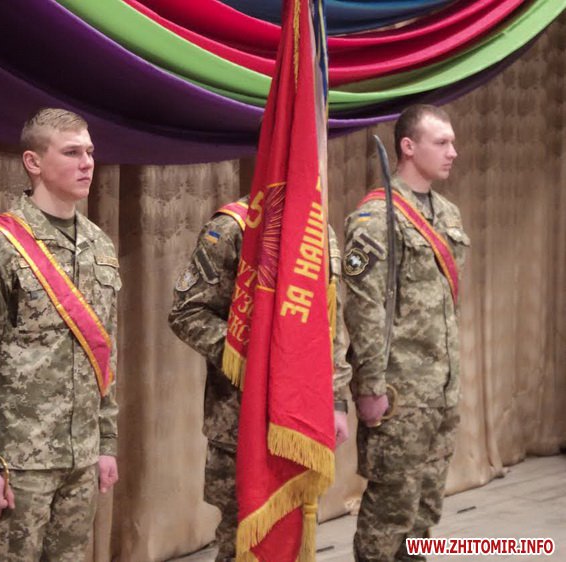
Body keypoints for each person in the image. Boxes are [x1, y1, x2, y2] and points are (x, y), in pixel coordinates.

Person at [0, 108, 120, 561]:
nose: (87, 163)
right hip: (17, 462)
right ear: (33, 162)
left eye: (90, 152)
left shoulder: (99, 245)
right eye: (72, 152)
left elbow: (104, 355)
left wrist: (106, 443)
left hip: (81, 457)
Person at [168, 195, 351, 561]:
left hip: (302, 417)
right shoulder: (232, 228)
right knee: (245, 541)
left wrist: (337, 400)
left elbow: (329, 324)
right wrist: (257, 355)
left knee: (294, 536)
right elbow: (187, 313)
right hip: (242, 420)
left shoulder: (317, 228)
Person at [342, 104, 470, 562]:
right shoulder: (376, 218)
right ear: (408, 147)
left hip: (441, 390)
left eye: (453, 142)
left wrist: (451, 383)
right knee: (388, 515)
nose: (453, 151)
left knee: (424, 511)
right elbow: (364, 310)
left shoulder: (448, 214)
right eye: (442, 142)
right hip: (398, 394)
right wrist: (371, 387)